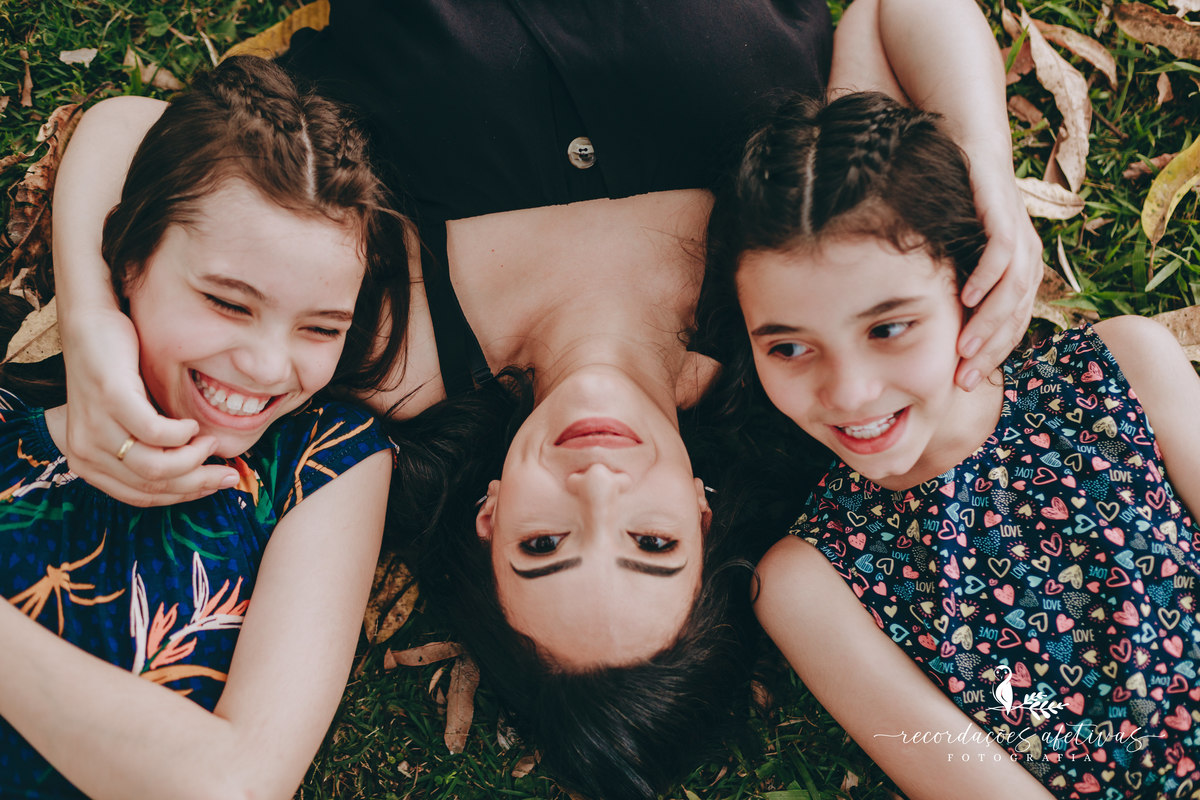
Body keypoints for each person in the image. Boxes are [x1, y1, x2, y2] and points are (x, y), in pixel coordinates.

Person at [49, 3, 1043, 796]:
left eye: (543, 543)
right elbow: (898, 9)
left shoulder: (383, 345)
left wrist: (95, 320)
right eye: (651, 544)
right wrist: (985, 179)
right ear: (702, 516)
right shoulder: (797, 333)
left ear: (487, 521)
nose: (598, 484)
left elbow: (134, 132)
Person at [700, 90, 1200, 799]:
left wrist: (990, 170)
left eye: (888, 328)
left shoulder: (1123, 370)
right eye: (787, 347)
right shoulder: (810, 584)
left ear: (975, 278)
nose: (849, 393)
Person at [0, 55, 404, 799]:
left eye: (320, 327)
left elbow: (237, 785)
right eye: (228, 302)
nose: (266, 365)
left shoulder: (324, 460)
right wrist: (89, 321)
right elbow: (127, 121)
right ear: (128, 259)